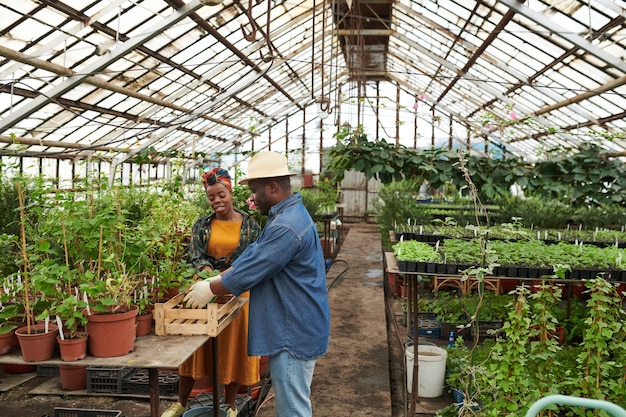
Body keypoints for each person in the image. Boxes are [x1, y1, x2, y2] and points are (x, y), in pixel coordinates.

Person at [184, 151, 331, 417]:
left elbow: (255, 267)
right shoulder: (284, 216)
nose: (252, 198)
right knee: (291, 402)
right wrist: (220, 276)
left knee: (293, 410)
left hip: (293, 330)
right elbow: (254, 255)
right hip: (295, 324)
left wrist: (211, 288)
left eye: (254, 190)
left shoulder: (287, 226)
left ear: (272, 187)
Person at [162, 168, 261, 417]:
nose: (216, 200)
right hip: (203, 290)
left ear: (231, 193)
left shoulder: (249, 225)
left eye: (221, 195)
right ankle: (181, 403)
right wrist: (207, 273)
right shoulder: (202, 225)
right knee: (194, 347)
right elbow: (196, 255)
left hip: (237, 291)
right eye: (211, 197)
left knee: (233, 347)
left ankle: (230, 405)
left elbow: (250, 260)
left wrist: (224, 277)